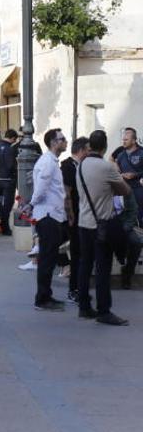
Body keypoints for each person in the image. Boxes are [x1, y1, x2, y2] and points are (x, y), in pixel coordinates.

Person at [76, 130, 132, 325]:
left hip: (84, 223)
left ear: (90, 145)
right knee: (102, 268)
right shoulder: (106, 167)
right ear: (105, 146)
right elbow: (126, 190)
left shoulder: (81, 164)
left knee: (84, 265)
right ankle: (104, 311)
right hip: (102, 224)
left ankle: (83, 306)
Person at [28, 128, 68, 312]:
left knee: (49, 257)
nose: (65, 141)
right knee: (46, 258)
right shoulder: (48, 162)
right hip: (48, 215)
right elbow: (42, 186)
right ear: (54, 142)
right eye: (62, 139)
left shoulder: (50, 161)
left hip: (52, 214)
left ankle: (46, 295)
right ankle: (42, 299)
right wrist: (32, 204)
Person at [61, 137, 89, 303]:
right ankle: (74, 289)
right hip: (75, 217)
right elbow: (67, 193)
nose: (89, 153)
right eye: (88, 149)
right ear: (81, 150)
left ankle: (78, 287)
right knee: (77, 253)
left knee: (80, 253)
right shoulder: (68, 167)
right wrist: (71, 215)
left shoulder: (79, 166)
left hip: (81, 215)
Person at [0, 129, 19, 235]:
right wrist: (13, 172)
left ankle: (0, 223)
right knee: (8, 203)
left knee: (0, 203)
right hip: (8, 180)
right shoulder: (10, 149)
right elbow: (11, 165)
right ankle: (5, 226)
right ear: (13, 138)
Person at [114, 127, 143, 225]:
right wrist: (120, 174)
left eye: (126, 139)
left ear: (134, 140)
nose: (124, 141)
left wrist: (135, 175)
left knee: (139, 217)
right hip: (124, 192)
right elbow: (116, 170)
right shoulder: (120, 155)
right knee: (126, 218)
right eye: (123, 139)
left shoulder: (141, 153)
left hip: (139, 191)